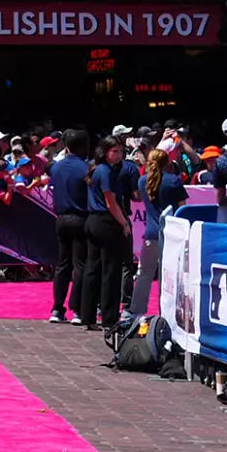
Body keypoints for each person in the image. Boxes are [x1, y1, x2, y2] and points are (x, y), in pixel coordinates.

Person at [78, 136, 131, 332]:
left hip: (93, 221)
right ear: (105, 152)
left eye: (120, 151)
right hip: (106, 222)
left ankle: (88, 315)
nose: (119, 155)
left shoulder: (98, 170)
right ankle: (109, 318)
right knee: (111, 270)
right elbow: (111, 202)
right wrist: (124, 223)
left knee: (93, 268)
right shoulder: (106, 171)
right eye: (114, 151)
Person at [130, 148, 188, 318]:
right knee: (170, 276)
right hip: (171, 235)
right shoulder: (174, 181)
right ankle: (168, 312)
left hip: (151, 234)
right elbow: (183, 208)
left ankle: (137, 310)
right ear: (167, 162)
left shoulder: (143, 181)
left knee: (144, 273)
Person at [48, 128, 91, 325]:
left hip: (61, 218)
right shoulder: (85, 168)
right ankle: (78, 310)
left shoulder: (56, 167)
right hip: (80, 217)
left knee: (62, 265)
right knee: (80, 265)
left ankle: (57, 308)